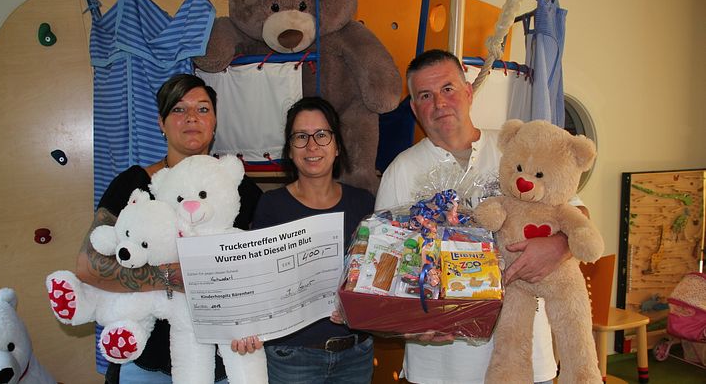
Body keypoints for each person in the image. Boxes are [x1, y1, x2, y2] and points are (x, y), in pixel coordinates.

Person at [376, 50, 589, 384]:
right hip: (440, 366)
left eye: (448, 89)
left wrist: (559, 245)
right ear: (415, 109)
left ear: (468, 92)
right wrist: (412, 324)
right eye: (425, 96)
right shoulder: (400, 172)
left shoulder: (516, 148)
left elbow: (577, 212)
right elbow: (383, 265)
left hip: (528, 360)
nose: (439, 103)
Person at [75, 74, 264, 384]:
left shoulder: (241, 190)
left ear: (214, 122)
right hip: (145, 361)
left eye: (203, 109)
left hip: (221, 364)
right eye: (178, 109)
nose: (191, 117)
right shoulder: (133, 183)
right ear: (161, 123)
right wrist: (172, 277)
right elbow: (89, 266)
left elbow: (261, 268)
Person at [252, 97, 375, 384]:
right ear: (290, 150)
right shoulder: (271, 206)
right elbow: (260, 285)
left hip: (356, 353)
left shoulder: (363, 204)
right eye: (301, 137)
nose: (312, 146)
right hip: (292, 358)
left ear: (337, 146)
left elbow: (374, 277)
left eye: (322, 135)